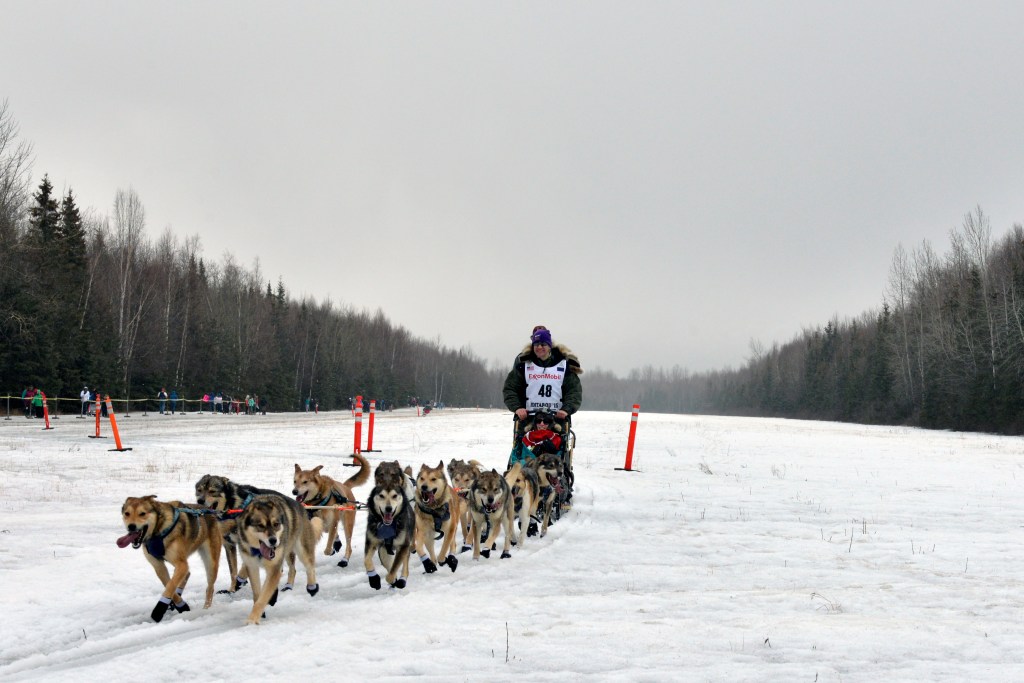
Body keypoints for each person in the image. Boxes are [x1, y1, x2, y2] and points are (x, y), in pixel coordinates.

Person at [503, 325, 583, 425]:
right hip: (527, 420)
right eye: (536, 344)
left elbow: (574, 392)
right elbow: (510, 389)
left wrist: (566, 409)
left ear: (550, 345)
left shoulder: (564, 364)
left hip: (557, 420)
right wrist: (518, 408)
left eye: (543, 344)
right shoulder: (523, 364)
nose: (539, 347)